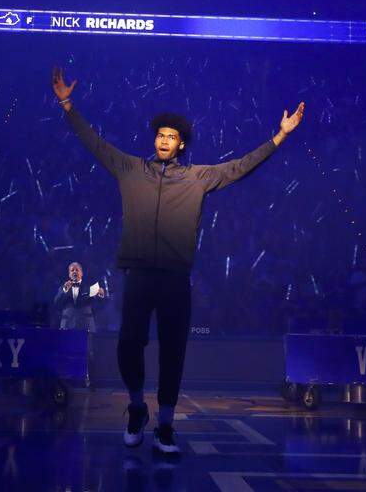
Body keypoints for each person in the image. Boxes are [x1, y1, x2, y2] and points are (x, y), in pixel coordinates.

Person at [51, 66, 305, 456]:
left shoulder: (198, 178)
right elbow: (95, 143)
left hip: (174, 278)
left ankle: (165, 425)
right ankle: (137, 408)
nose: (165, 140)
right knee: (128, 344)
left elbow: (240, 166)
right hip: (138, 274)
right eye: (160, 135)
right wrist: (68, 105)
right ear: (154, 140)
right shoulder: (131, 169)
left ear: (181, 145)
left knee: (173, 350)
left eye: (172, 137)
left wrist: (280, 136)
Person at [53, 261, 107, 332]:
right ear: (69, 274)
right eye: (72, 270)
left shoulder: (89, 287)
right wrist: (64, 290)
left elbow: (100, 304)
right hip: (67, 325)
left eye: (77, 270)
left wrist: (101, 296)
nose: (74, 272)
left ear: (81, 273)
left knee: (88, 343)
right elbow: (56, 303)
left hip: (86, 325)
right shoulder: (63, 288)